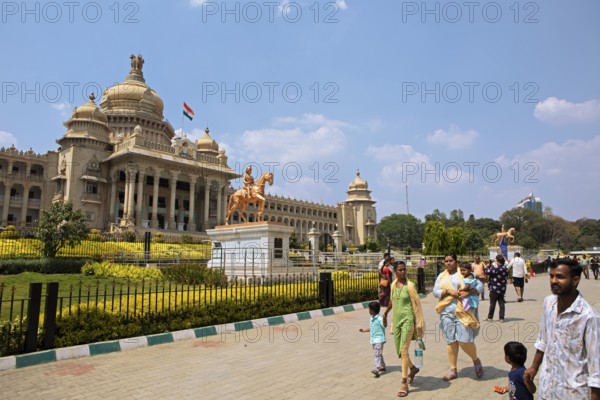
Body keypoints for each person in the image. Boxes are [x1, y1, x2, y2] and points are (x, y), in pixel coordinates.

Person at [524, 258, 599, 399]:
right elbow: (543, 340)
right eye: (551, 276)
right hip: (547, 390)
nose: (553, 281)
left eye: (560, 277)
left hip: (572, 393)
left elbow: (596, 368)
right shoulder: (548, 303)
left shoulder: (588, 317)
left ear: (575, 280)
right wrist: (534, 367)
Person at [433, 254, 483, 382]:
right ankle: (453, 369)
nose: (448, 263)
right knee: (451, 341)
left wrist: (468, 292)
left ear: (456, 262)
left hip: (463, 312)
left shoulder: (465, 273)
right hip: (447, 313)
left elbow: (480, 287)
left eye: (451, 260)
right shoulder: (442, 276)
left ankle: (476, 360)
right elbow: (435, 291)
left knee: (464, 340)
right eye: (446, 261)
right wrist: (448, 292)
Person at [383, 261, 425, 397]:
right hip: (397, 321)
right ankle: (412, 368)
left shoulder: (410, 286)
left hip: (408, 320)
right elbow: (391, 301)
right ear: (395, 271)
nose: (403, 272)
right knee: (400, 351)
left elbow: (417, 305)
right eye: (400, 270)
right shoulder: (394, 284)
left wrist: (418, 322)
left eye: (404, 269)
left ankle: (404, 382)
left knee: (404, 349)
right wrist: (385, 313)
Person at [359, 301, 387, 378]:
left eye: (369, 309)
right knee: (378, 353)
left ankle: (376, 369)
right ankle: (383, 366)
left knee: (377, 354)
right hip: (373, 340)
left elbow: (384, 325)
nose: (368, 311)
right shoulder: (372, 318)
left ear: (372, 310)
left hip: (379, 340)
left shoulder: (380, 318)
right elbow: (372, 328)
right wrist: (364, 330)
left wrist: (385, 319)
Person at [485, 254, 509, 322]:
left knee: (492, 303)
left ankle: (490, 317)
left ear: (498, 262)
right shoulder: (506, 269)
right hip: (502, 289)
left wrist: (487, 266)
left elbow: (487, 272)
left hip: (494, 289)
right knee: (501, 303)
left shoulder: (496, 269)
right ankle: (501, 318)